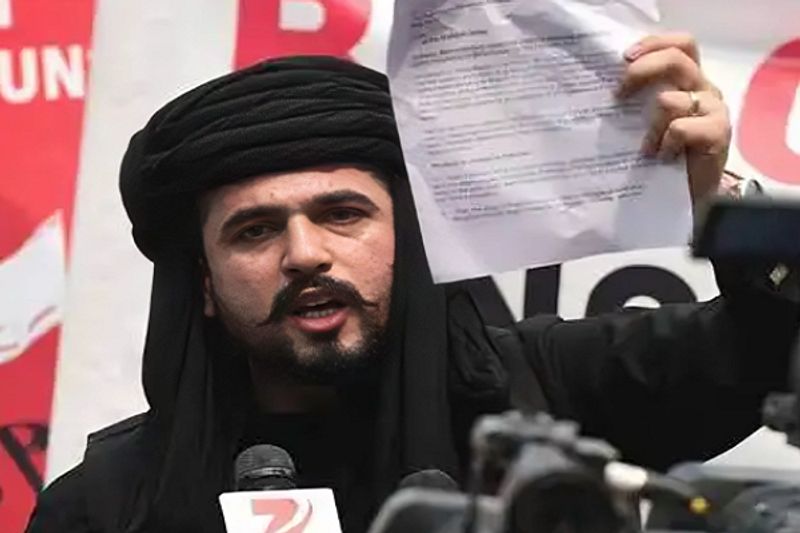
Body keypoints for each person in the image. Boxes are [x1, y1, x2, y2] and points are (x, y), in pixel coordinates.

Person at [26, 35, 799, 533]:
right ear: (201, 282)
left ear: (408, 235)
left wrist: (714, 196)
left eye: (342, 213)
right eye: (255, 230)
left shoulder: (551, 392)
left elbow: (769, 348)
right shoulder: (105, 504)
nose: (305, 254)